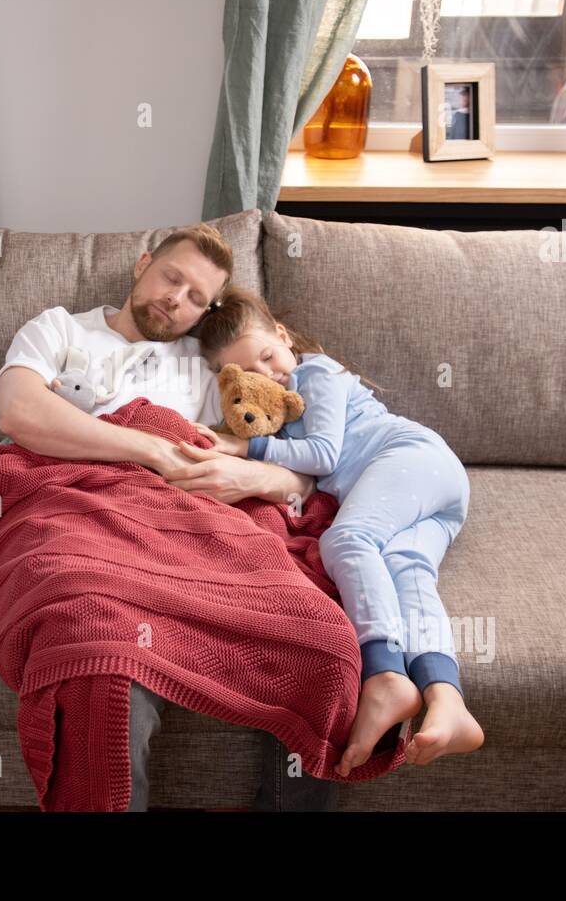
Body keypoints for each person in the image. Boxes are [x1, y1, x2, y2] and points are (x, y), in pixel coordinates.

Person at [0, 223, 339, 810]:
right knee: (99, 660)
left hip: (184, 521)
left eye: (197, 298)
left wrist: (254, 476)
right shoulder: (58, 328)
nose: (177, 299)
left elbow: (298, 464)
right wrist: (149, 448)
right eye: (171, 278)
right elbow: (21, 414)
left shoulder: (212, 369)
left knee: (325, 643)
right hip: (80, 509)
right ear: (142, 265)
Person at [191, 285, 485, 774]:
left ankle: (386, 674)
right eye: (250, 372)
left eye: (268, 355)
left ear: (284, 337)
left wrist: (249, 451)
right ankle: (446, 697)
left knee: (346, 541)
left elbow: (325, 453)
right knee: (404, 570)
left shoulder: (316, 373)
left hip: (412, 459)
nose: (268, 374)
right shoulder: (276, 415)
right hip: (432, 495)